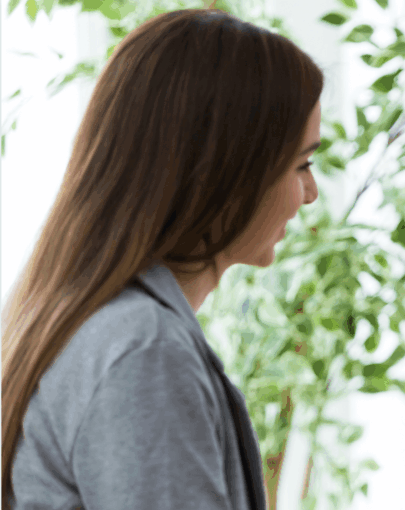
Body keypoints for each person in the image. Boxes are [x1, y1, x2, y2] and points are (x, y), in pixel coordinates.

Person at [1, 8, 323, 510]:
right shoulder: (143, 350)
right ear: (227, 169)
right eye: (300, 164)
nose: (311, 193)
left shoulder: (91, 319)